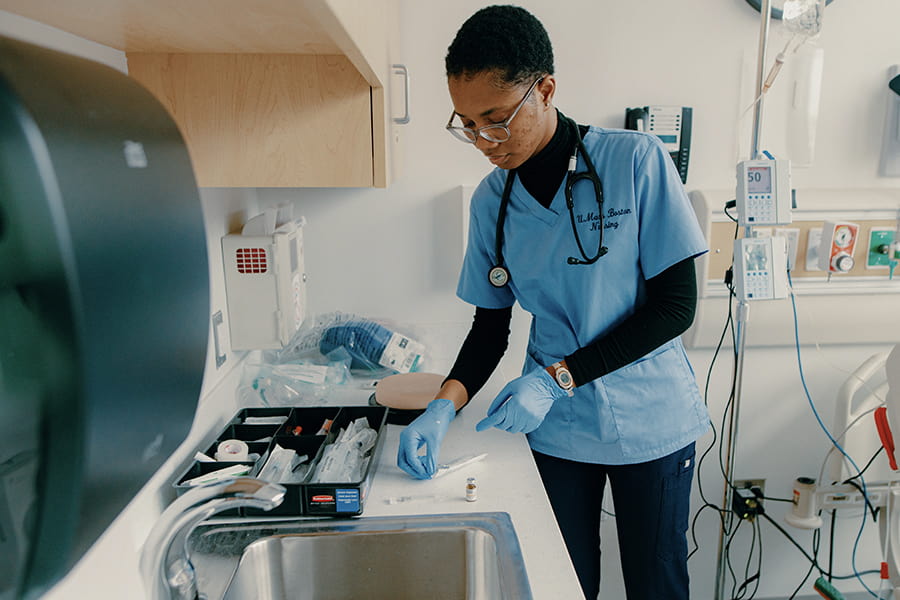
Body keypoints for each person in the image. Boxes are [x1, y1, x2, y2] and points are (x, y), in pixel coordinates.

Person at [396, 5, 710, 599]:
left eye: (496, 119)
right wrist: (442, 407)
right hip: (558, 428)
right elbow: (491, 329)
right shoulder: (492, 201)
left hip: (649, 416)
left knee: (658, 583)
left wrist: (556, 378)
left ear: (545, 89)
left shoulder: (635, 162)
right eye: (466, 123)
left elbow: (675, 308)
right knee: (561, 581)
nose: (483, 140)